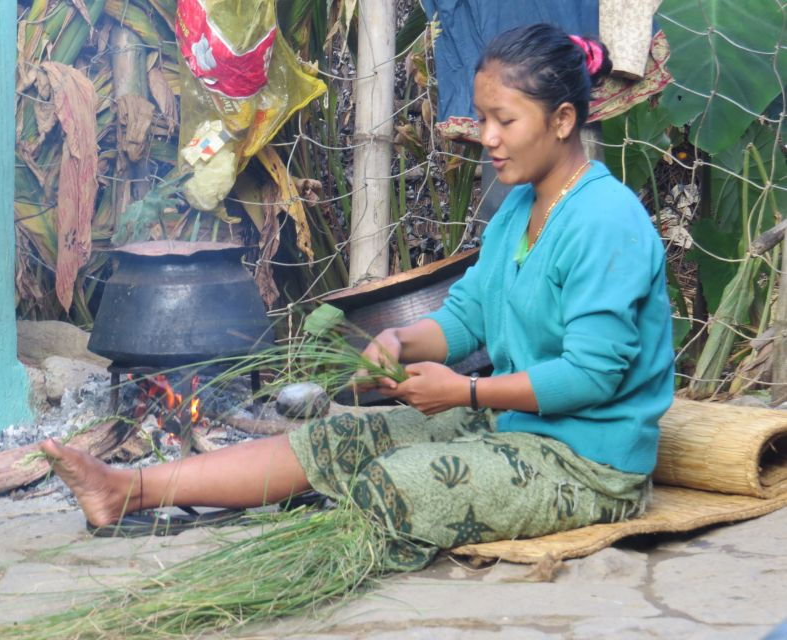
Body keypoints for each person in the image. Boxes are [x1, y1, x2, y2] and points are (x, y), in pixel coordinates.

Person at [41, 23, 674, 571]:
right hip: (515, 422)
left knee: (390, 485)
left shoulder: (604, 222)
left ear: (563, 120)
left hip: (586, 463)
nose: (487, 137)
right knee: (337, 442)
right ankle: (128, 489)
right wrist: (400, 340)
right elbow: (467, 318)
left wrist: (467, 392)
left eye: (504, 121)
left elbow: (593, 376)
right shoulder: (518, 208)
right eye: (483, 119)